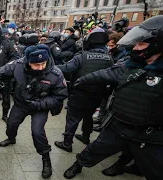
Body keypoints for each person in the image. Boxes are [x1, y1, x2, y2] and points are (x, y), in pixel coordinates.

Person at [63, 15, 163, 180]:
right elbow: (106, 74)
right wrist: (83, 79)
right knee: (95, 149)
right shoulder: (130, 66)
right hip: (119, 127)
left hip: (151, 135)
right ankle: (78, 165)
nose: (136, 48)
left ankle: (121, 166)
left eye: (142, 43)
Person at [0, 44, 67, 179]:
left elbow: (60, 95)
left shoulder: (55, 74)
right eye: (36, 65)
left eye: (43, 63)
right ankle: (11, 138)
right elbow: (3, 70)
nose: (41, 67)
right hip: (21, 103)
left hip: (40, 106)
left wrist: (39, 104)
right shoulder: (18, 65)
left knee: (37, 131)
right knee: (11, 124)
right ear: (28, 62)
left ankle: (46, 159)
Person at [54, 28, 114, 152]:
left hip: (79, 93)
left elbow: (66, 69)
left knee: (72, 119)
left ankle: (67, 143)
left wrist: (49, 66)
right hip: (97, 94)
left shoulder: (82, 57)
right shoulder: (109, 58)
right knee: (88, 116)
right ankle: (86, 136)